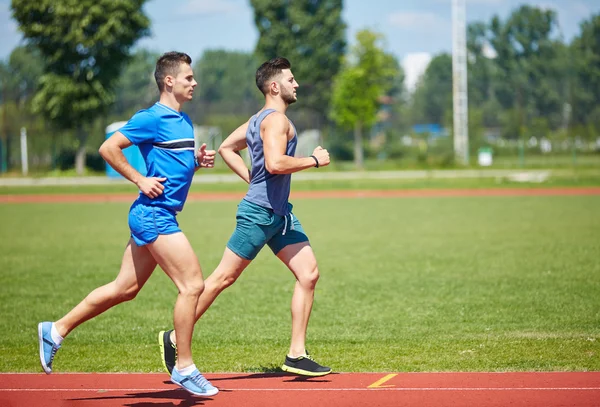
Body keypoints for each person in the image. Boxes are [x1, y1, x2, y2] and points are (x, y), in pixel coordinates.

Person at [38, 51, 219, 397]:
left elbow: (172, 165)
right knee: (193, 285)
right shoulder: (150, 118)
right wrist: (139, 179)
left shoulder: (185, 121)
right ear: (169, 81)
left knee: (125, 289)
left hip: (157, 213)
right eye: (189, 78)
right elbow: (109, 148)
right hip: (154, 214)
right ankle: (185, 367)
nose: (194, 83)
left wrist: (196, 161)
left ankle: (55, 329)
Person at [158, 57, 332, 377]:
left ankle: (296, 354)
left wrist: (251, 178)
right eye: (291, 79)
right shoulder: (276, 122)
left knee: (308, 273)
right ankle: (174, 336)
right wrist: (313, 160)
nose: (296, 84)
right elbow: (276, 164)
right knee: (223, 279)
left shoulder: (257, 119)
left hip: (279, 215)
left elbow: (226, 147)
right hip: (259, 215)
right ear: (275, 86)